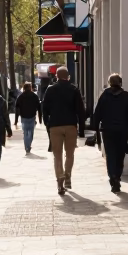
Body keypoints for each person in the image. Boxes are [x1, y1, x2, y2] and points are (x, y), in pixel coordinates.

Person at [41, 65, 86, 195]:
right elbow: (80, 110)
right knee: (70, 154)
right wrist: (81, 128)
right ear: (68, 77)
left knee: (57, 155)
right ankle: (67, 177)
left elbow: (44, 108)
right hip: (71, 125)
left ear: (56, 76)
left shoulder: (50, 89)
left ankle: (60, 179)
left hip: (55, 126)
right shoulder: (74, 90)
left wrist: (47, 124)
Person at [91, 74, 128, 193]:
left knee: (110, 155)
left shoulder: (104, 96)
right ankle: (117, 176)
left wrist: (96, 128)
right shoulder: (126, 96)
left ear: (109, 83)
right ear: (120, 83)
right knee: (120, 155)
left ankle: (113, 177)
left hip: (107, 130)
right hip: (122, 130)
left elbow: (97, 113)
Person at [14, 81, 42, 154]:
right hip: (32, 117)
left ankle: (27, 146)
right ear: (30, 88)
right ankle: (28, 145)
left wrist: (16, 120)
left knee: (25, 132)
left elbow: (17, 108)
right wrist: (40, 118)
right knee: (31, 133)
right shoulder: (34, 96)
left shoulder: (20, 97)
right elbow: (39, 107)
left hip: (23, 117)